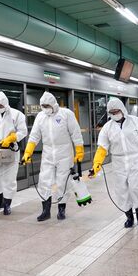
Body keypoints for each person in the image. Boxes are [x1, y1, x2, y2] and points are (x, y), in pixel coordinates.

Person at [88, 97, 138, 229]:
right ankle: (129, 217)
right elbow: (102, 148)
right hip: (118, 162)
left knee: (136, 189)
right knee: (121, 191)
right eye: (111, 112)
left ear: (122, 109)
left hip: (135, 159)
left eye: (116, 111)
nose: (114, 114)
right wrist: (96, 165)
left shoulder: (136, 122)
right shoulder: (107, 128)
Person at [21, 92, 84, 221]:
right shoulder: (40, 117)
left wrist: (79, 151)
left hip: (64, 153)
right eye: (43, 106)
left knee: (63, 182)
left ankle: (61, 209)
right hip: (48, 153)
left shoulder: (66, 114)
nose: (45, 108)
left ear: (54, 104)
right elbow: (34, 136)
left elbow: (76, 134)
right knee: (44, 181)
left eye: (47, 105)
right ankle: (46, 210)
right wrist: (28, 152)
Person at [0, 92, 28, 215]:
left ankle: (7, 204)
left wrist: (11, 138)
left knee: (9, 179)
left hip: (11, 149)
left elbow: (23, 131)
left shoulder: (17, 114)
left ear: (5, 103)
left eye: (0, 104)